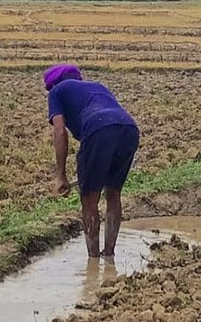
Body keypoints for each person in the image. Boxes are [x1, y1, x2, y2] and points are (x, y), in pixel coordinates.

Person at [45, 64, 140, 258]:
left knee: (89, 199)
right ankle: (109, 254)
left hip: (99, 128)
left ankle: (93, 259)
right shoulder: (97, 86)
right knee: (113, 194)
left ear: (52, 83)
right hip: (129, 128)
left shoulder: (56, 91)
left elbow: (59, 131)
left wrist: (60, 175)